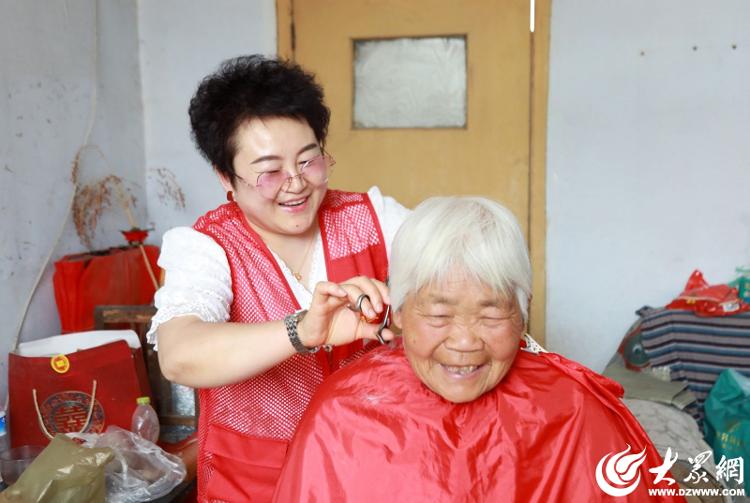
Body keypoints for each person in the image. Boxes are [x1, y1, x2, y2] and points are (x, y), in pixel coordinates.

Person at [273, 197, 685, 502]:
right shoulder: (343, 414)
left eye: (490, 316)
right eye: (438, 315)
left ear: (523, 315)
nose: (466, 342)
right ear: (398, 312)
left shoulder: (575, 410)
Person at [146, 55, 409, 502]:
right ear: (225, 178)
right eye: (269, 172)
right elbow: (179, 355)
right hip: (255, 485)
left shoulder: (375, 218)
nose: (296, 184)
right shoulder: (207, 247)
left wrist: (408, 316)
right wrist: (302, 331)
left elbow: (461, 269)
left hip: (373, 474)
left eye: (309, 161)